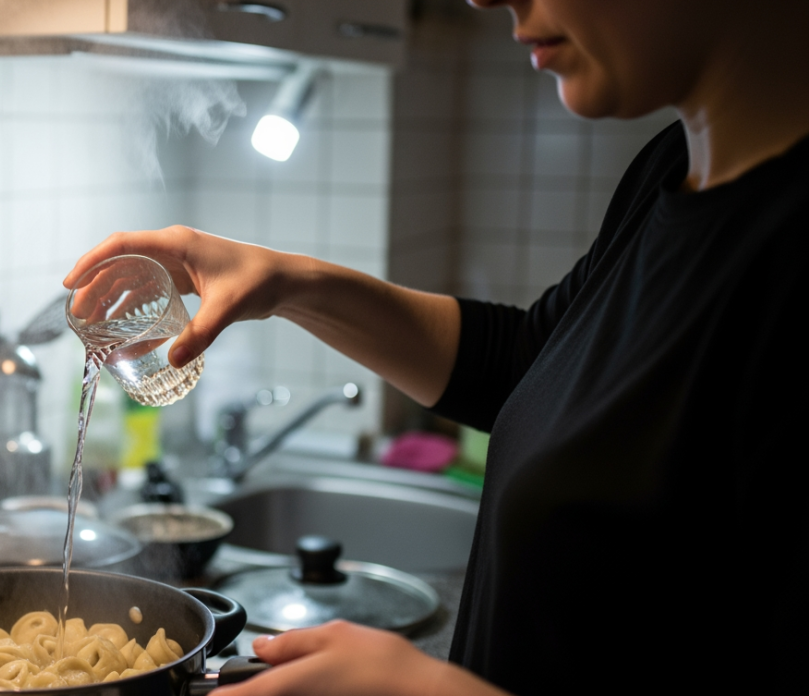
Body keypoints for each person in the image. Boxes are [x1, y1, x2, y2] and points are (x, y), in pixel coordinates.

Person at [64, 0, 808, 693]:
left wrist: (422, 687)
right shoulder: (670, 169)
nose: (482, 0)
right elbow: (530, 364)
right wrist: (285, 284)